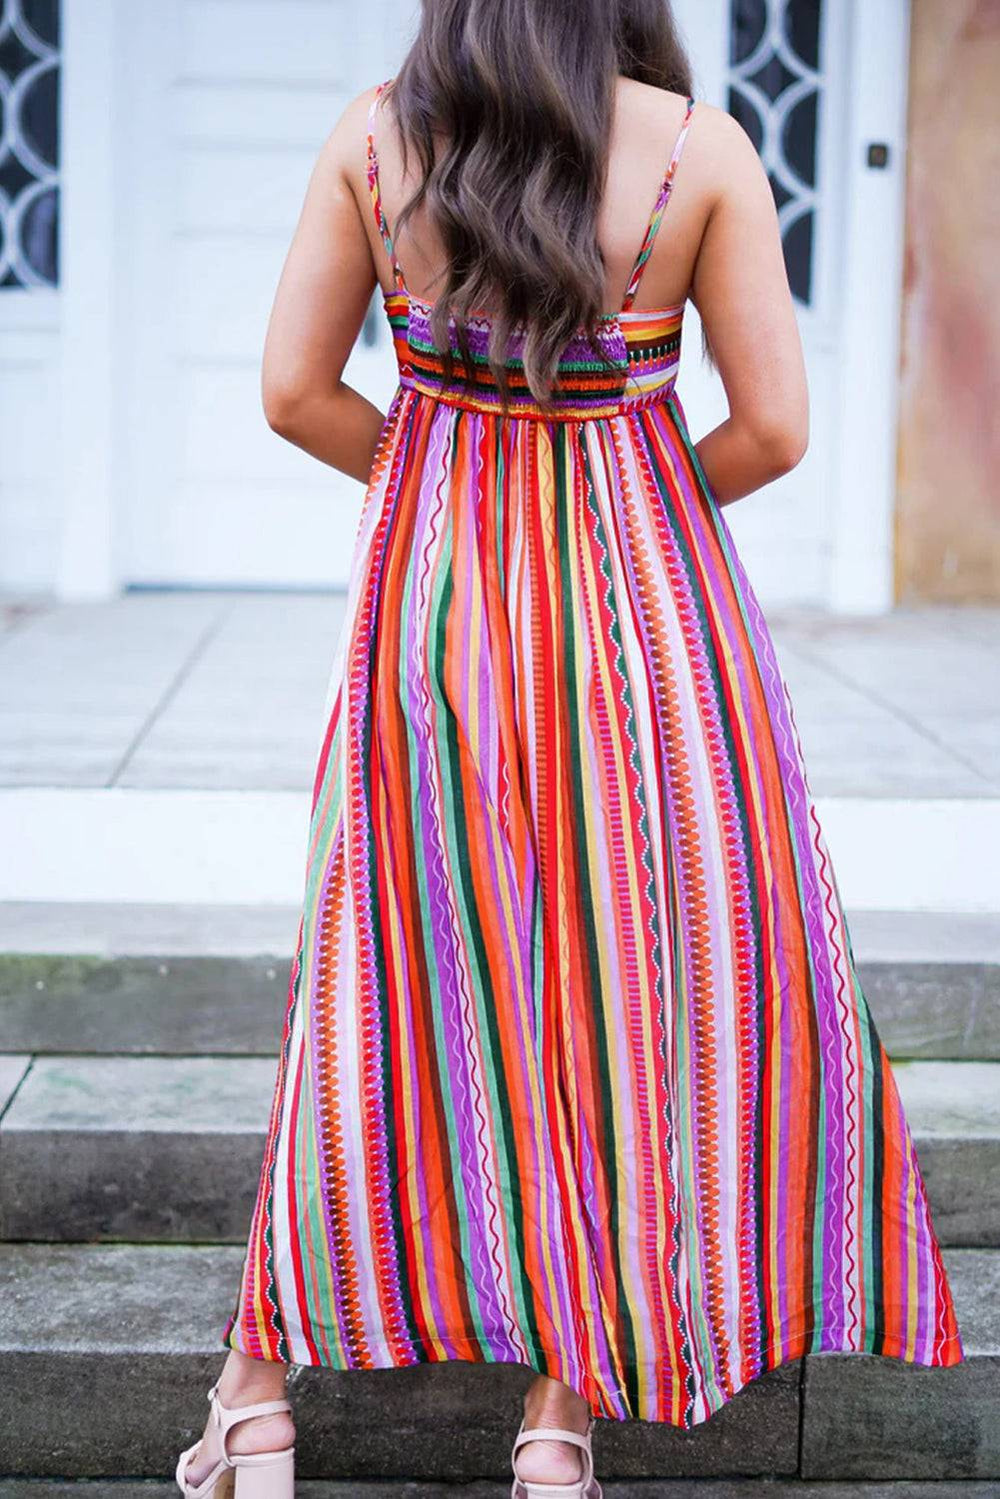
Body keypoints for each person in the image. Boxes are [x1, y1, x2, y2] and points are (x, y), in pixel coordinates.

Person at [175, 2, 964, 1495]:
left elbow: (292, 396)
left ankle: (259, 1394)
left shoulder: (373, 138)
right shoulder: (702, 155)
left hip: (440, 611)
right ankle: (557, 1420)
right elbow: (775, 431)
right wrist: (624, 510)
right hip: (647, 625)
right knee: (620, 991)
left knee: (380, 971)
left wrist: (459, 488)